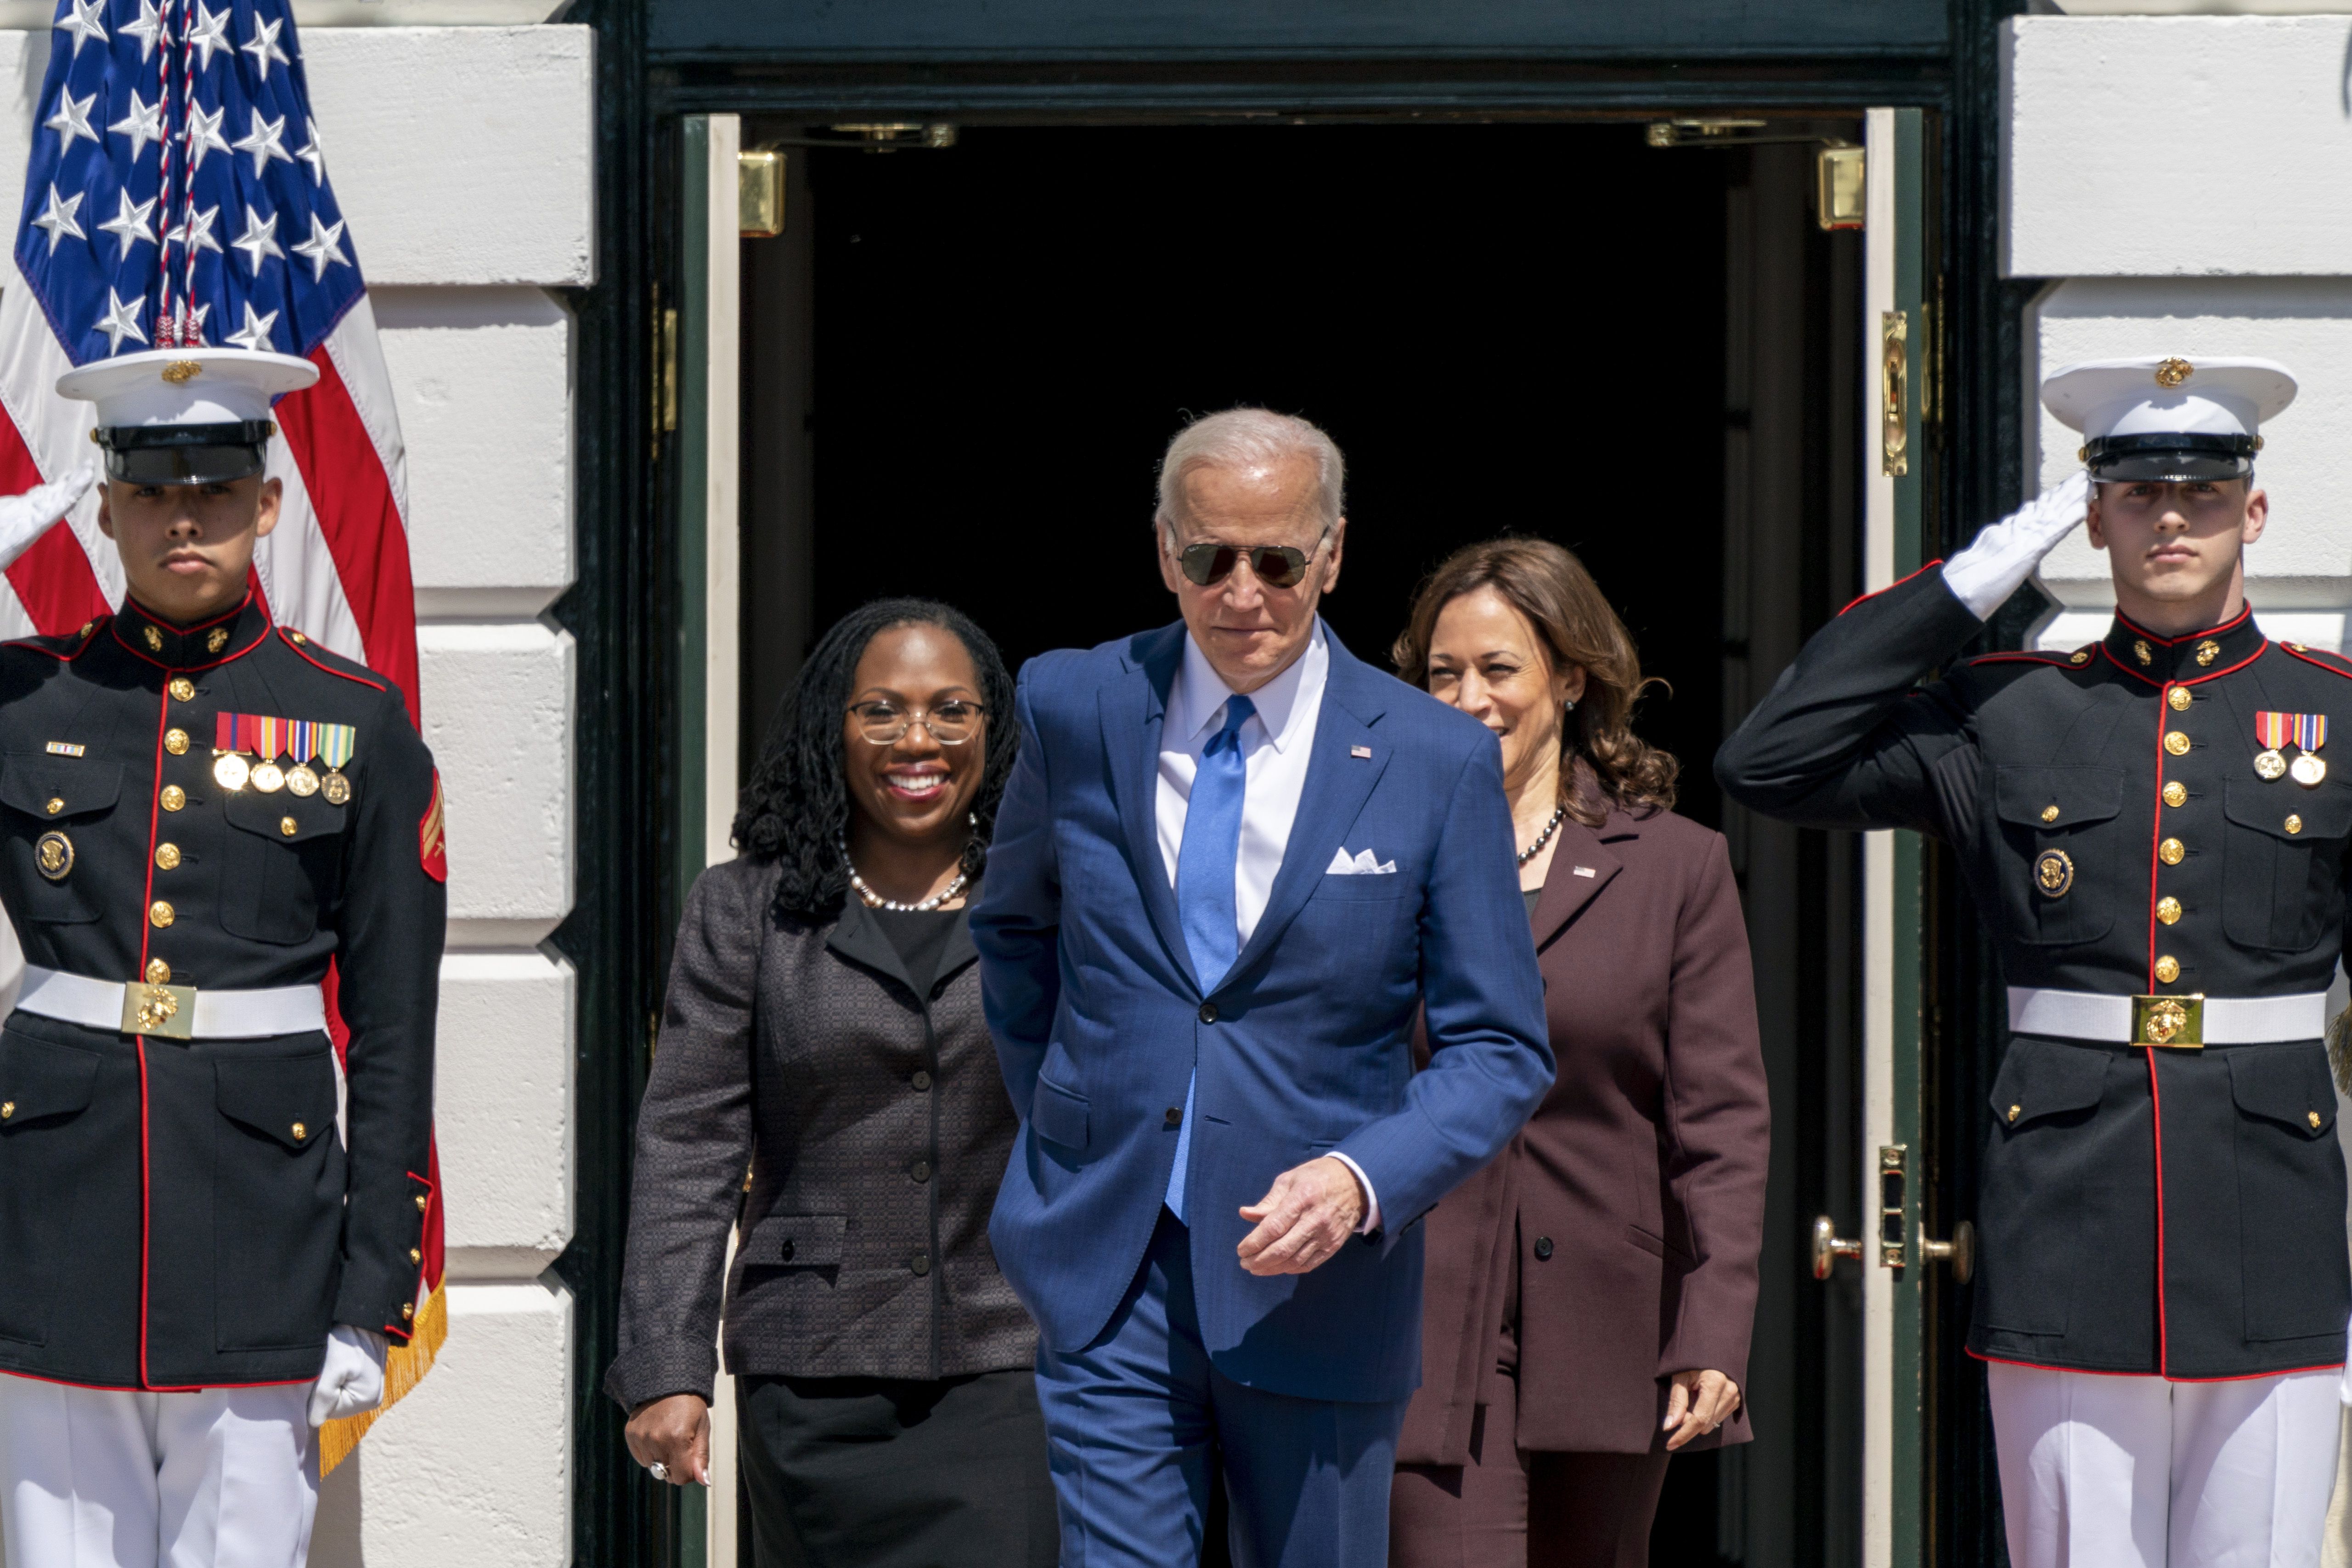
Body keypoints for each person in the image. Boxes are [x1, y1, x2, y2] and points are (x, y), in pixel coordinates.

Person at [1716, 355, 2343, 1567]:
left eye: (2204, 494)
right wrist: (1970, 580)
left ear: (2252, 511)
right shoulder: (2002, 713)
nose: (2172, 516)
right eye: (2137, 493)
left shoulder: (2335, 715)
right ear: (2092, 512)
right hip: (2067, 1214)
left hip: (2274, 1218)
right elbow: (1769, 757)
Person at [970, 407, 1554, 1567]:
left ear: (1331, 555)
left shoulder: (1430, 756)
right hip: (1107, 1264)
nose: (1242, 593)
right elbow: (1014, 934)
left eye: (1276, 561)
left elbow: (1501, 1048)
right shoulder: (1074, 705)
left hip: (1318, 1283)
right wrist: (1070, 1117)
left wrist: (1358, 1177)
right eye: (1208, 559)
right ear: (1163, 553)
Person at [0, 346, 444, 1566]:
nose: (181, 514)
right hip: (52, 1224)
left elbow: (398, 1031)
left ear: (269, 502)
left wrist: (373, 1290)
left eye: (212, 484)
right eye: (149, 488)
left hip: (265, 1238)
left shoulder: (352, 717)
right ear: (101, 505)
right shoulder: (24, 702)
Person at [608, 598, 1057, 1566]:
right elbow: (688, 1146)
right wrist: (665, 1367)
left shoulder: (1052, 900)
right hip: (809, 1373)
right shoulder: (744, 910)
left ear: (994, 729)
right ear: (831, 728)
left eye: (950, 711)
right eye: (880, 711)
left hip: (1007, 1364)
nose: (917, 740)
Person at [1388, 539, 1768, 1568]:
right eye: (1442, 672)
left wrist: (1712, 1328)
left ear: (1567, 678)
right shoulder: (1376, 855)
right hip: (1417, 1318)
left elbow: (1719, 1122)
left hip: (1610, 1326)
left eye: (1498, 669)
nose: (1469, 697)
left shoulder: (1676, 866)